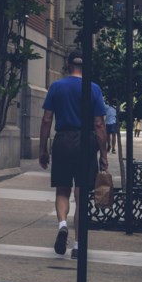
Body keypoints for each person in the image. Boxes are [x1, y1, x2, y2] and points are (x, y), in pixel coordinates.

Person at [38, 49, 109, 260]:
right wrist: (103, 153)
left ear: (68, 65)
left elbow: (46, 119)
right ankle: (78, 245)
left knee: (62, 189)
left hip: (63, 140)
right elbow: (98, 124)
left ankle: (62, 225)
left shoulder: (57, 87)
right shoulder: (93, 89)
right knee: (81, 195)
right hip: (86, 142)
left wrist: (43, 148)